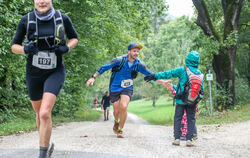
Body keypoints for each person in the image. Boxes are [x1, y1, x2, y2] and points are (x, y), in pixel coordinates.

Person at [11, 0, 78, 157]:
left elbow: (74, 38)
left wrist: (66, 48)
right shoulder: (26, 20)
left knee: (44, 113)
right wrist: (25, 49)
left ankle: (42, 155)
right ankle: (45, 144)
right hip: (33, 73)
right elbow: (14, 46)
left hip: (55, 70)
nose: (42, 1)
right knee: (38, 113)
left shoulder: (62, 18)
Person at [86, 42, 154, 138]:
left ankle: (120, 130)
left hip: (127, 87)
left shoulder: (139, 64)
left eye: (138, 51)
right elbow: (105, 67)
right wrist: (93, 77)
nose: (136, 53)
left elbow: (150, 74)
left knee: (124, 106)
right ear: (129, 51)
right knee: (116, 111)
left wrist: (162, 81)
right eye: (134, 51)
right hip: (115, 87)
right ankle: (116, 121)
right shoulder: (119, 60)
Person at [145, 51, 204, 147]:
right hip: (192, 101)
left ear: (187, 59)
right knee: (191, 119)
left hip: (180, 100)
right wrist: (194, 99)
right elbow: (202, 90)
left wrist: (155, 76)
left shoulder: (182, 70)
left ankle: (177, 139)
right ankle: (189, 140)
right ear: (198, 62)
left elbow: (169, 73)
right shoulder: (200, 74)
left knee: (178, 118)